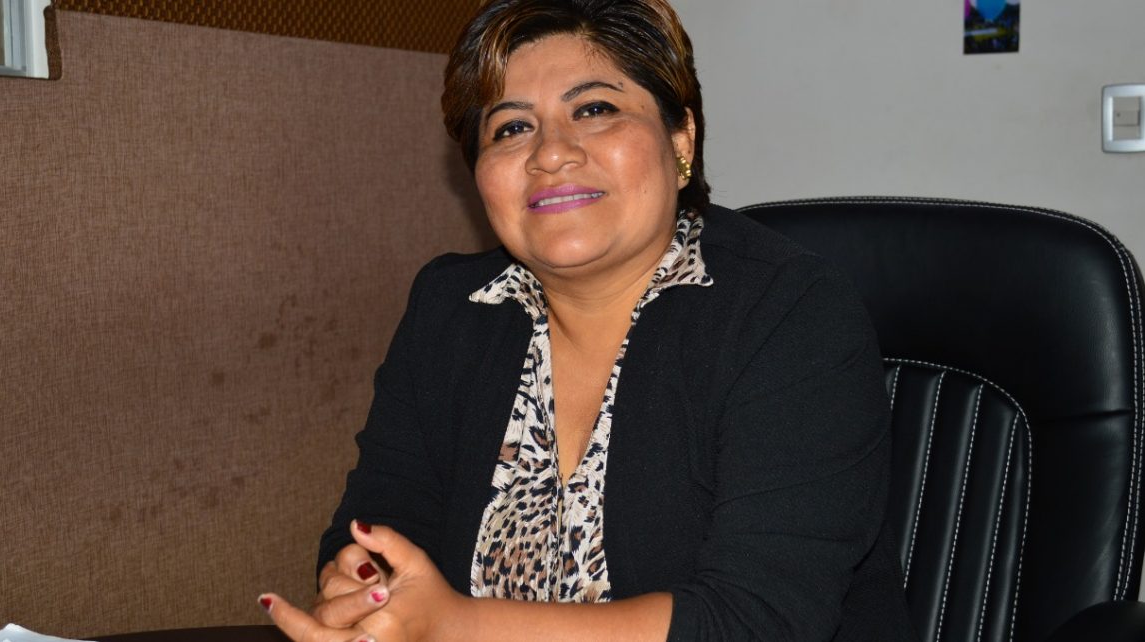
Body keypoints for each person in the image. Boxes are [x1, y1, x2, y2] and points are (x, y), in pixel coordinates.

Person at [259, 0, 917, 640]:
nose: (550, 153)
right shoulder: (450, 306)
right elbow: (382, 519)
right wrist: (367, 590)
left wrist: (456, 626)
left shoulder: (788, 311)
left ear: (681, 140)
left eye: (595, 109)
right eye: (511, 128)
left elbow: (760, 620)